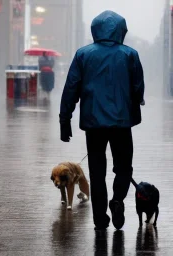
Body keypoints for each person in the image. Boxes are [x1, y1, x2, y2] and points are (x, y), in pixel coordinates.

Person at [59, 10, 145, 230]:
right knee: (124, 168)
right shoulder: (130, 55)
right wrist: (134, 106)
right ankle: (117, 200)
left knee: (97, 172)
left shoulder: (83, 55)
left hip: (94, 124)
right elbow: (138, 89)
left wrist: (64, 119)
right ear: (121, 30)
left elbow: (71, 89)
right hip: (122, 123)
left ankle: (100, 219)